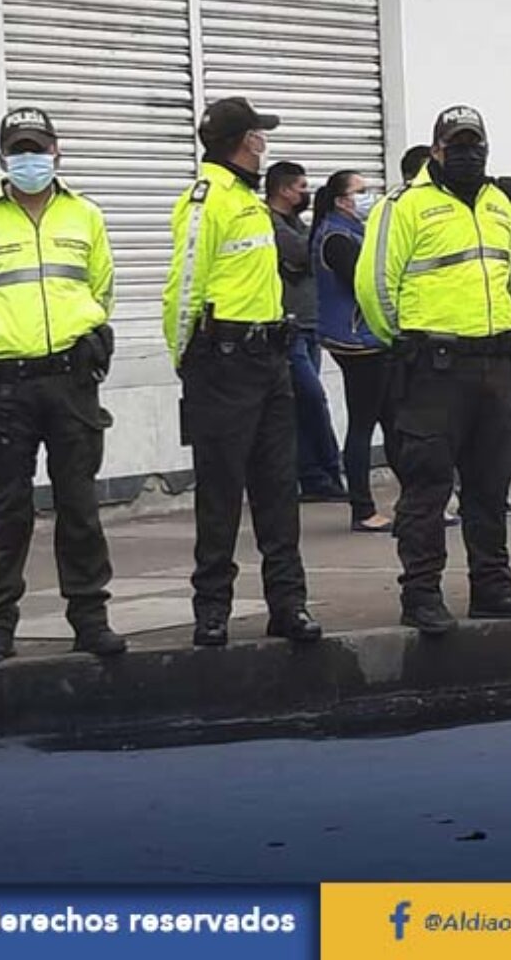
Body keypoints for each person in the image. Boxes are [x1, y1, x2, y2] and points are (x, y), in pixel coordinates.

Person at [355, 106, 511, 634]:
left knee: (490, 486)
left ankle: (493, 587)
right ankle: (420, 594)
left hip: (495, 364)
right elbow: (374, 284)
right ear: (436, 149)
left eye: (475, 143)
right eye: (457, 144)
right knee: (427, 486)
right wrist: (408, 340)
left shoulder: (500, 205)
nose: (468, 153)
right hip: (433, 369)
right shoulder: (405, 206)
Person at [0, 107, 124, 664]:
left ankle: (90, 619)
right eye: (20, 150)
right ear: (3, 158)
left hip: (71, 382)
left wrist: (93, 337)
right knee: (7, 509)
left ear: (57, 154)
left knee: (79, 506)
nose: (30, 159)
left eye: (38, 149)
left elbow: (103, 285)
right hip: (7, 387)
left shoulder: (85, 215)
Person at [163, 97, 322, 647]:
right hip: (224, 361)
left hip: (269, 356)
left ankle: (288, 604)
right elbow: (184, 284)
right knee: (222, 492)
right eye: (260, 134)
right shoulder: (208, 199)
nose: (265, 142)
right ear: (246, 141)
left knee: (279, 489)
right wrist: (187, 356)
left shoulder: (248, 201)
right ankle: (212, 610)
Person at [312, 167, 395, 534]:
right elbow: (364, 281)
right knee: (365, 422)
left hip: (370, 337)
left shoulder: (352, 231)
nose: (369, 196)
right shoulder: (336, 237)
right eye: (361, 191)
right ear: (343, 201)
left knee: (393, 420)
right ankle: (362, 507)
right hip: (356, 340)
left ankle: (416, 499)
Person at [267, 160, 346, 502]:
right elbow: (303, 252)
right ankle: (323, 472)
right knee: (312, 398)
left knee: (304, 402)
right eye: (300, 187)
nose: (306, 194)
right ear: (283, 190)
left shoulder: (296, 223)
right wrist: (326, 221)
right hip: (290, 326)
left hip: (311, 324)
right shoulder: (270, 223)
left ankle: (318, 476)